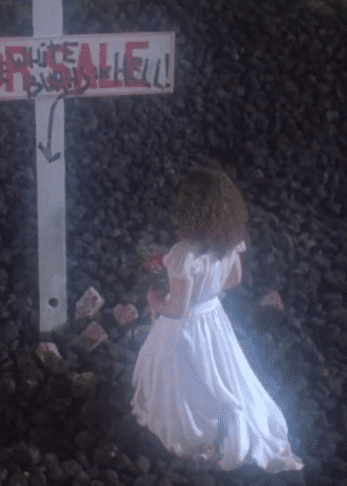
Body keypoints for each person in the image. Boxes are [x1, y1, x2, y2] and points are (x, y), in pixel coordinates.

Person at [130, 165, 305, 476]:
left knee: (179, 378)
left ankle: (192, 433)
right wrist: (207, 290)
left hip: (185, 329)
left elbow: (179, 310)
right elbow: (235, 280)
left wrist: (155, 302)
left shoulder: (184, 254)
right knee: (221, 373)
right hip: (214, 319)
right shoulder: (230, 243)